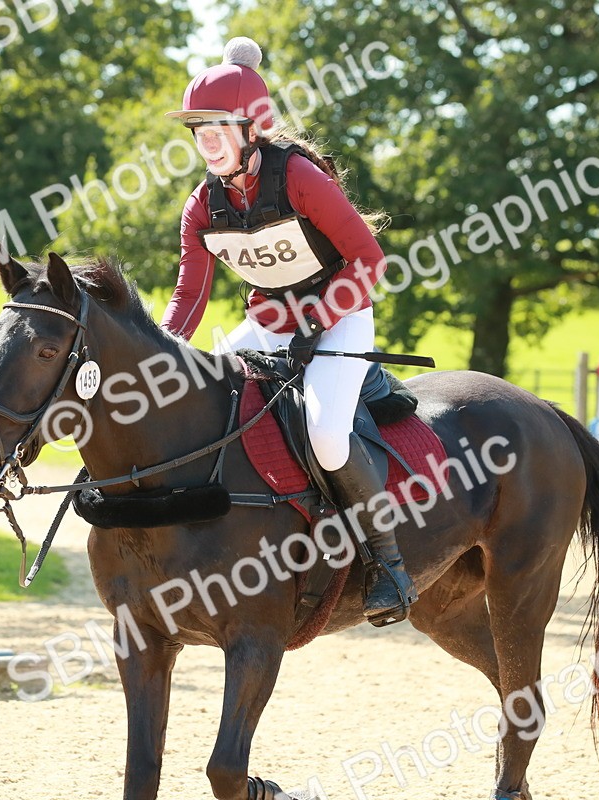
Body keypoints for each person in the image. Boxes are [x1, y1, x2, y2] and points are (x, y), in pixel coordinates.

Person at [162, 37, 417, 626]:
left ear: (252, 127)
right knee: (199, 402)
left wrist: (318, 318)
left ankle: (388, 563)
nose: (206, 143)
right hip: (270, 324)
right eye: (198, 131)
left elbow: (369, 261)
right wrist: (163, 354)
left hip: (342, 317)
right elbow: (189, 295)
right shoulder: (201, 205)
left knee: (326, 435)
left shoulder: (299, 176)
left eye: (217, 129)